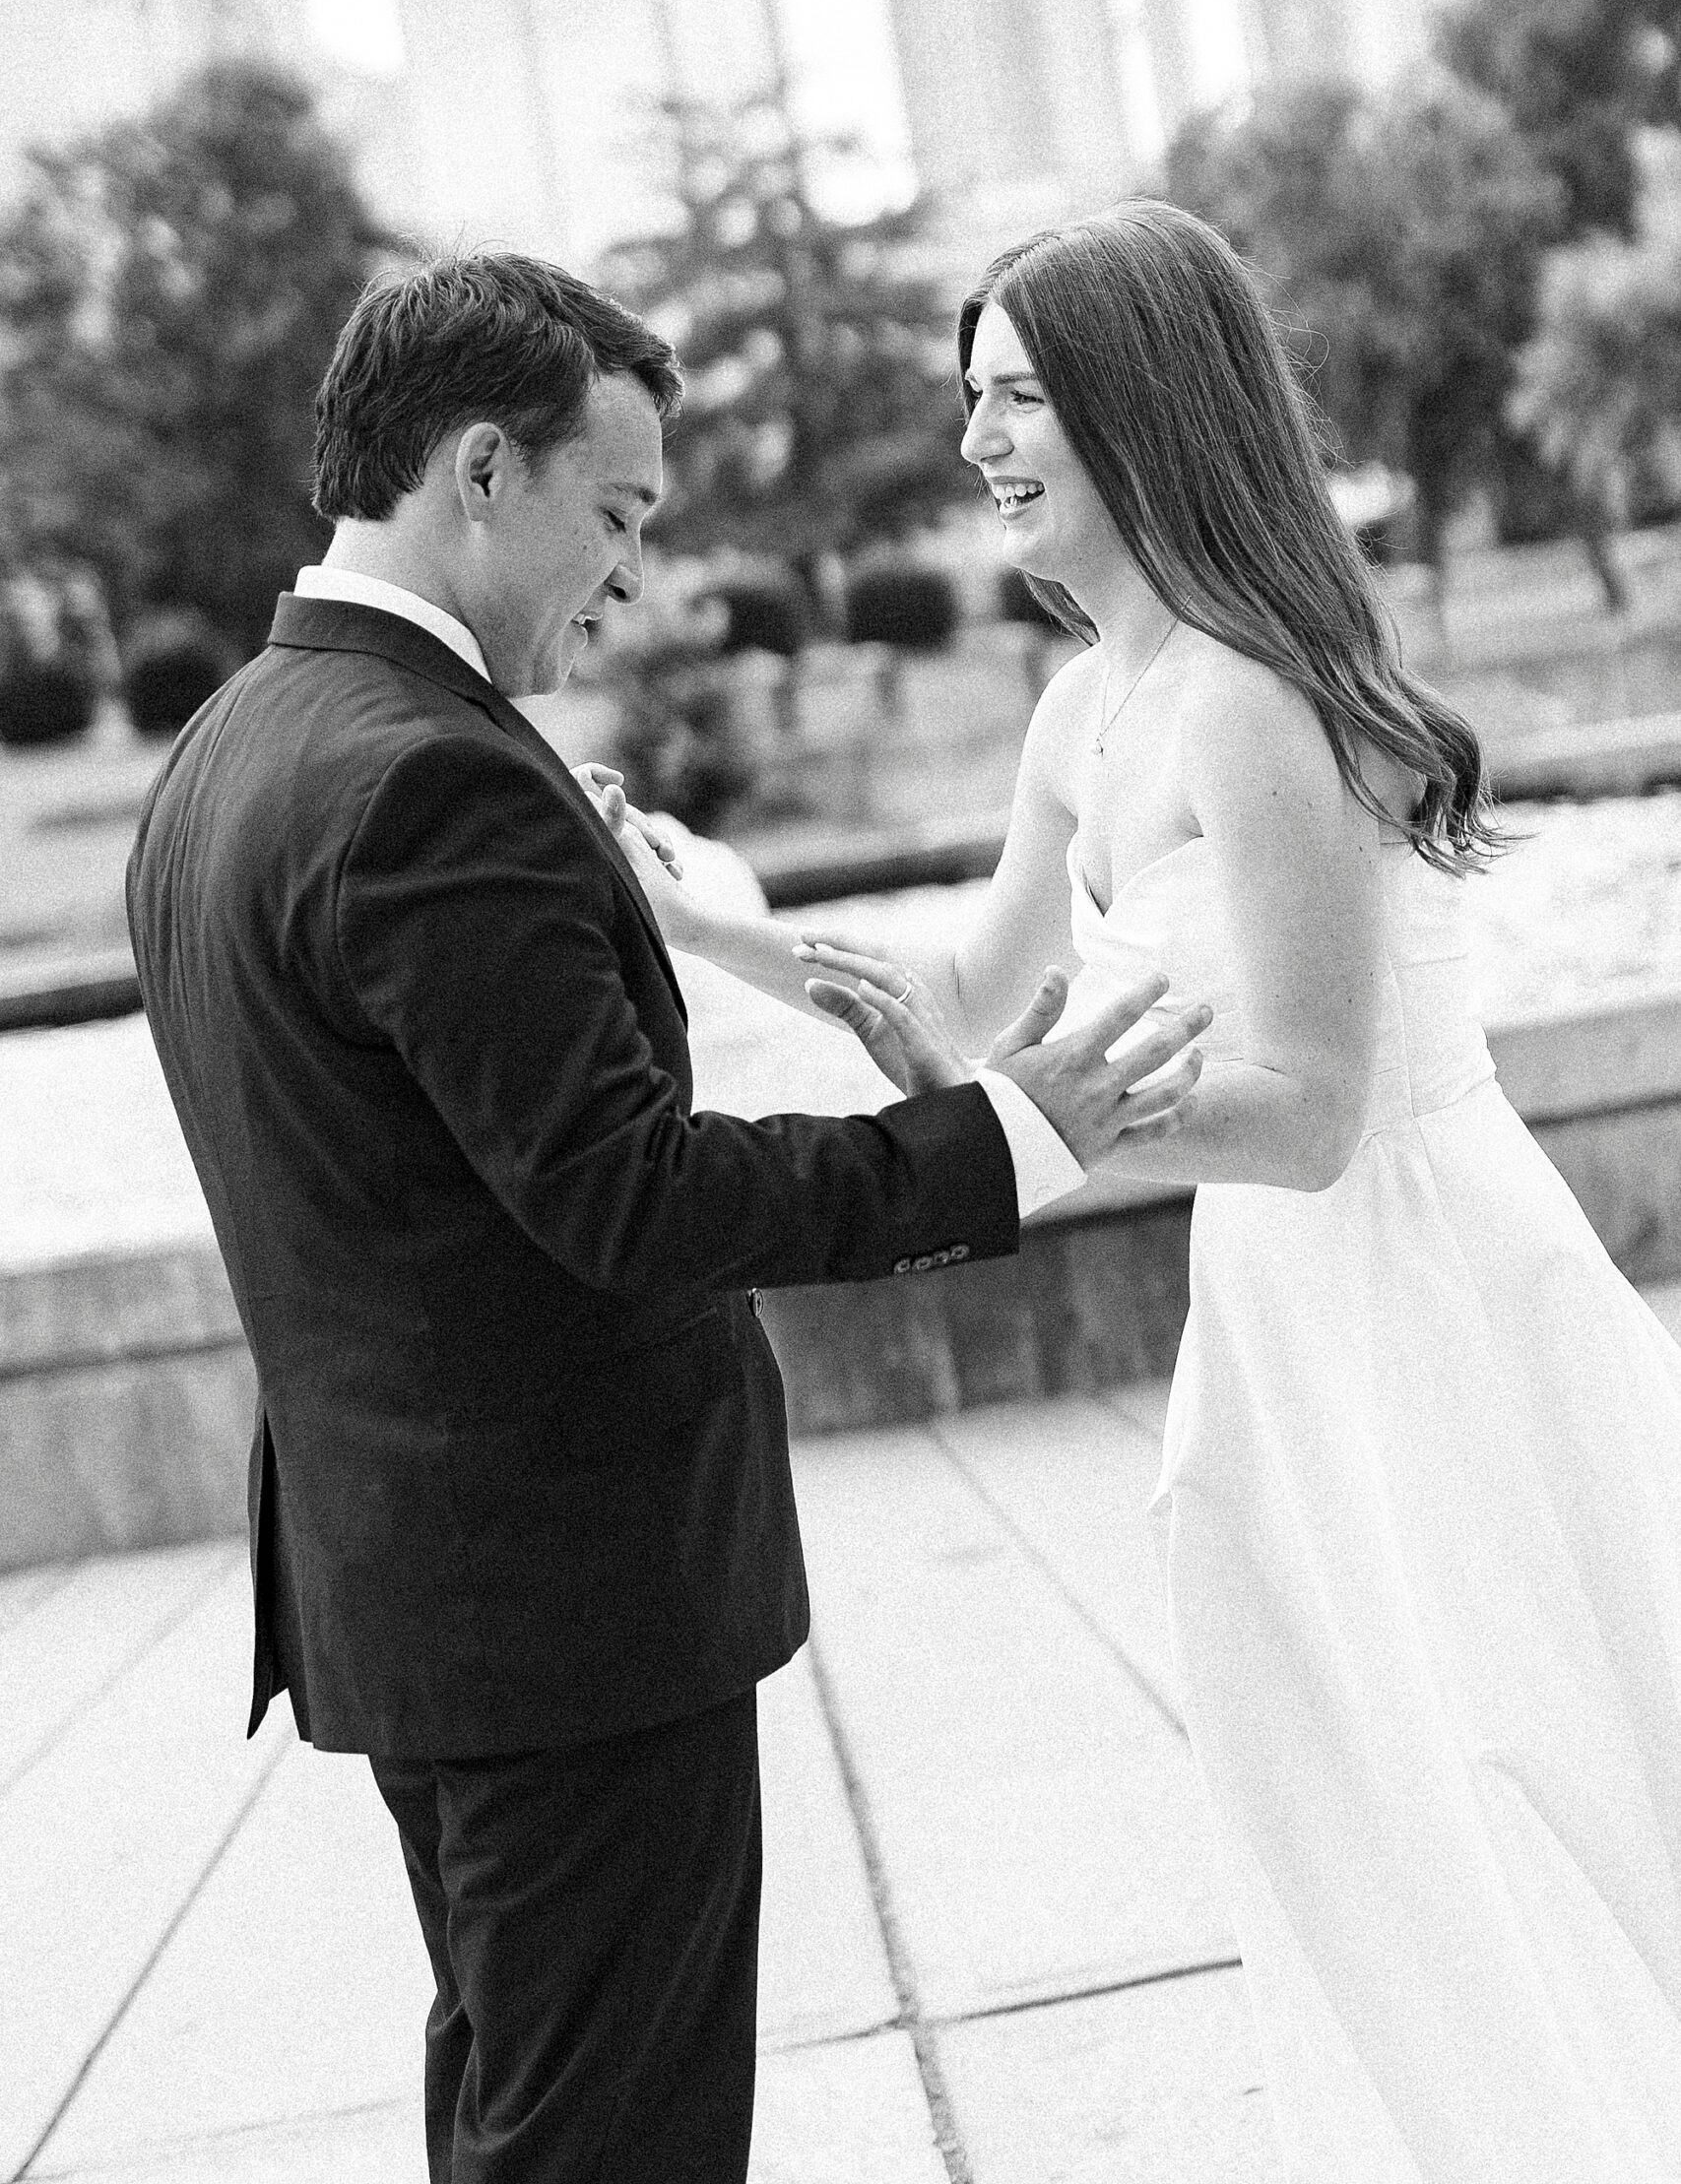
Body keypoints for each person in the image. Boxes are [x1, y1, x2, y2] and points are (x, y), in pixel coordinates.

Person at [124, 252, 1208, 2184]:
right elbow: (626, 1189)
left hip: (425, 1596)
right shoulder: (430, 783)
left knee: (529, 2104)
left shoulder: (232, 752)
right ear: (478, 468)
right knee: (610, 2137)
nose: (623, 570)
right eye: (611, 511)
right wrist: (1002, 1134)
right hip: (561, 1608)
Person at [625, 203, 1681, 2182]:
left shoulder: (1251, 705)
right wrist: (687, 916)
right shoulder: (1077, 710)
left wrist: (1022, 1121)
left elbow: (1306, 1108)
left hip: (1418, 1291)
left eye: (1016, 396)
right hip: (1272, 1316)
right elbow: (960, 1003)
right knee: (1338, 1782)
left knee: (1489, 1757)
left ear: (1137, 409)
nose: (974, 441)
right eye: (968, 399)